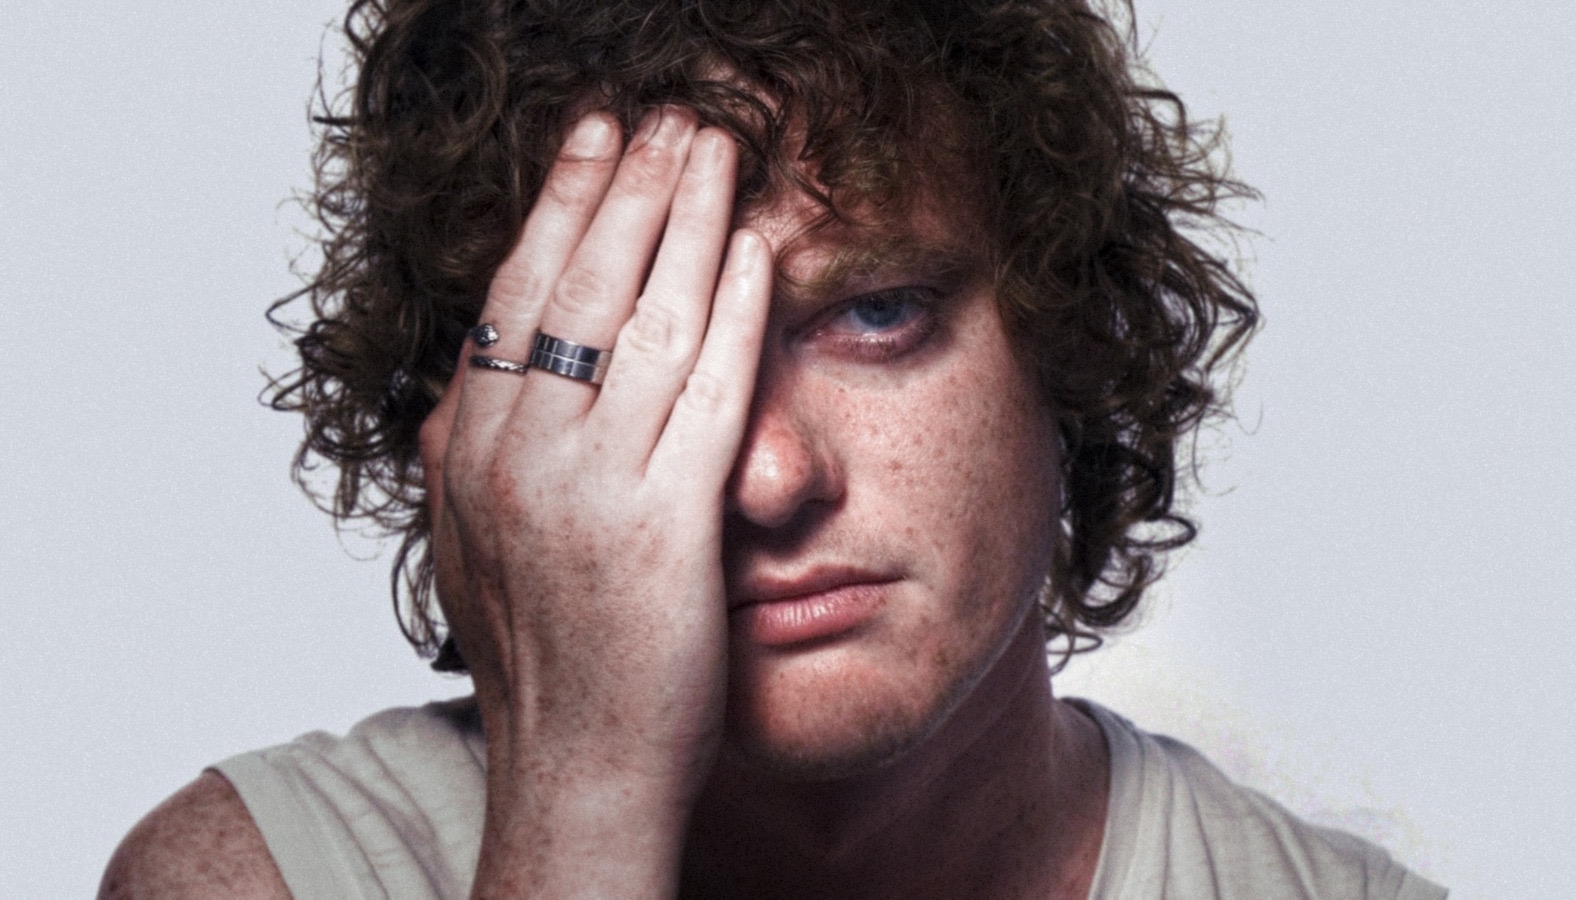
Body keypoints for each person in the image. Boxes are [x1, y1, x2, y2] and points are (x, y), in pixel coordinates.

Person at [100, 0, 1446, 897]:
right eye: (634, 359)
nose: (768, 477)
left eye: (876, 313)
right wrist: (583, 803)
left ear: (1068, 332)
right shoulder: (259, 875)